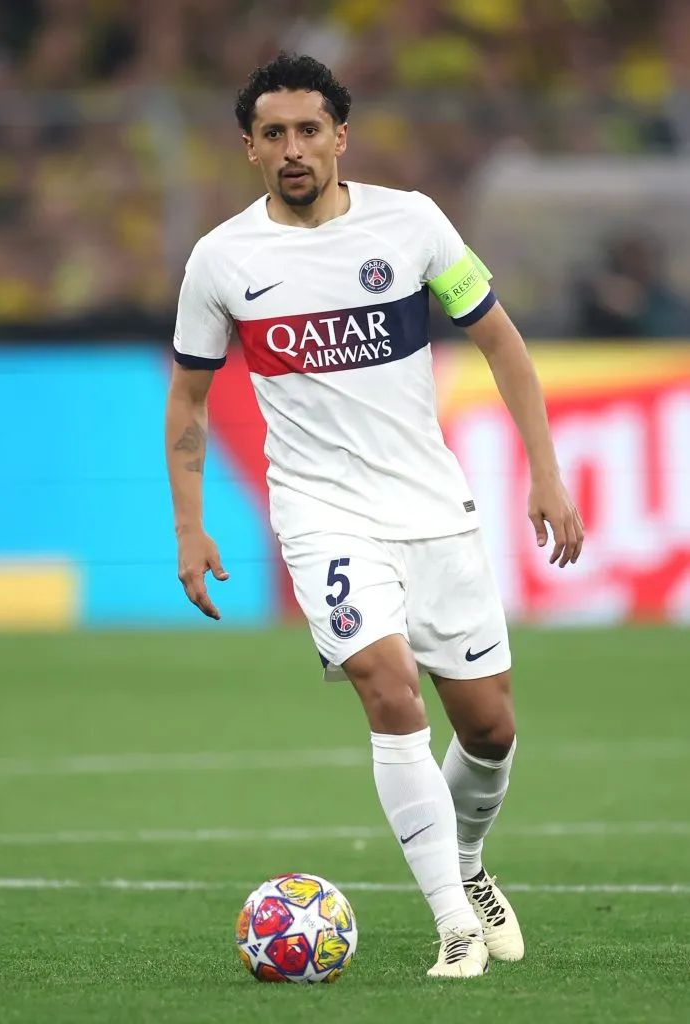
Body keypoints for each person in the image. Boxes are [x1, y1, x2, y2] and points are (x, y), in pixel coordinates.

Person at [165, 52, 584, 979]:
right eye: (272, 134)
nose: (292, 149)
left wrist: (544, 475)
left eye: (308, 130)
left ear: (340, 137)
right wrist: (190, 527)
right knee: (389, 691)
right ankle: (453, 927)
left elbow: (503, 345)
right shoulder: (222, 261)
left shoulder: (414, 222)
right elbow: (187, 404)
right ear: (248, 149)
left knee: (489, 731)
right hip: (322, 516)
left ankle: (468, 867)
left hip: (433, 510)